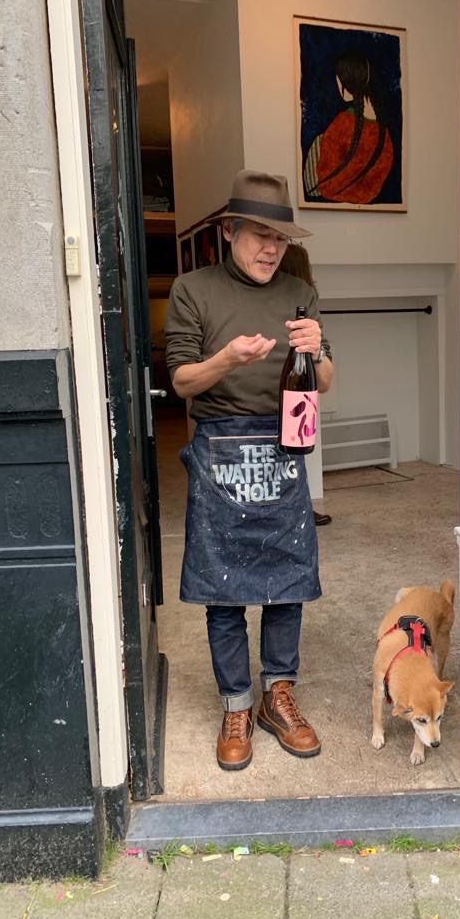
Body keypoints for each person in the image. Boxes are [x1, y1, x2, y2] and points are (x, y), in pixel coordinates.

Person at [164, 170, 334, 772]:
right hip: (220, 450)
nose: (271, 248)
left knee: (288, 580)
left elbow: (326, 381)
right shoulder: (192, 289)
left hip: (286, 445)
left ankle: (277, 696)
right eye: (261, 234)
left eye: (280, 238)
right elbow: (181, 381)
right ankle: (236, 704)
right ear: (229, 231)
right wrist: (226, 359)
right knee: (224, 587)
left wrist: (314, 350)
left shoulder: (300, 291)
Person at [279, 243, 332, 526]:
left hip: (297, 393)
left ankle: (300, 507)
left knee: (296, 452)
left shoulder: (305, 309)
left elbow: (325, 378)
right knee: (296, 453)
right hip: (296, 395)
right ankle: (300, 507)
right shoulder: (297, 308)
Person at [303, 51, 393, 205]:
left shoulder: (344, 122)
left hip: (331, 191)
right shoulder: (384, 131)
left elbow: (326, 167)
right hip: (367, 195)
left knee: (320, 140)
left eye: (338, 82)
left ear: (346, 83)